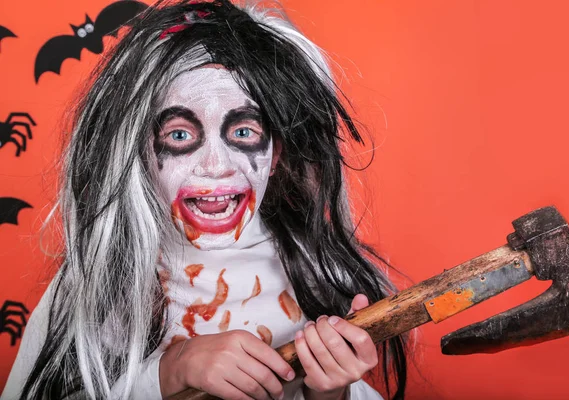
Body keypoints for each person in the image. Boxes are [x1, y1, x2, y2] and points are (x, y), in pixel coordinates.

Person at [1, 1, 407, 399]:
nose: (216, 166)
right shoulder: (100, 283)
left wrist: (331, 391)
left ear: (274, 155)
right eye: (179, 134)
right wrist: (169, 372)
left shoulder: (315, 273)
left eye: (244, 132)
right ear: (140, 153)